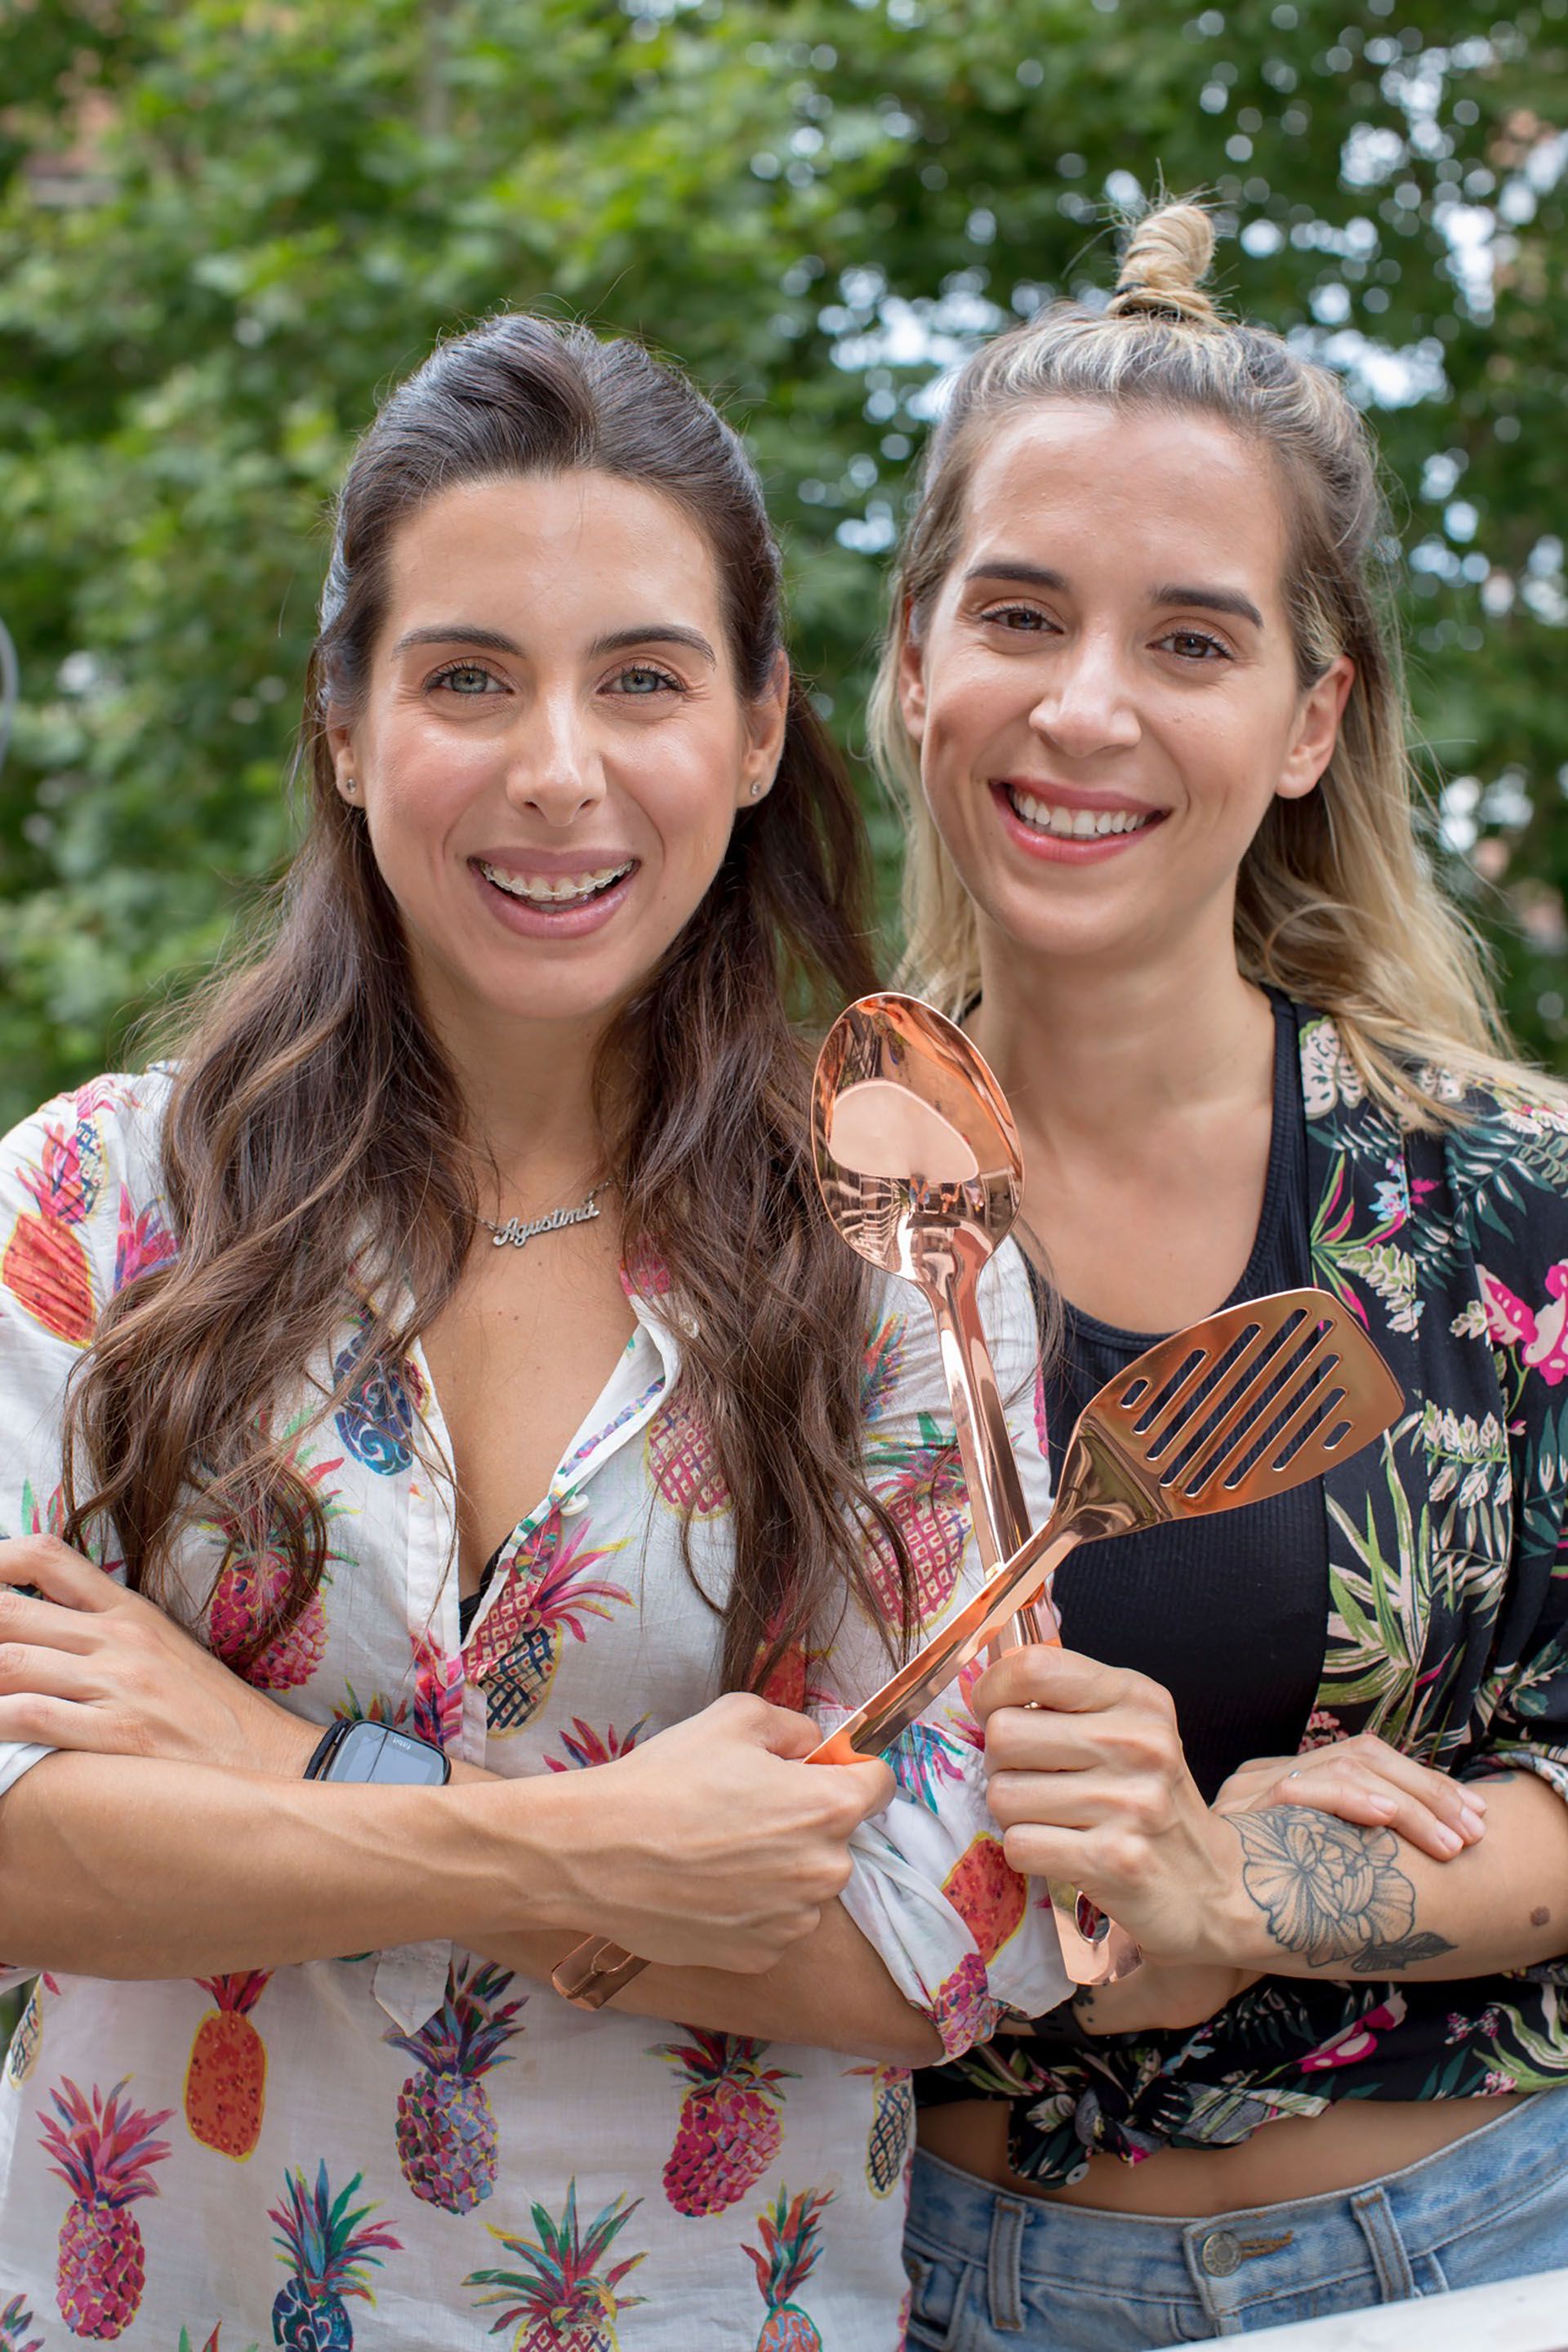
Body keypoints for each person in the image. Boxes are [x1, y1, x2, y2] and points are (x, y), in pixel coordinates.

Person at [0, 314, 1071, 2349]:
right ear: (344, 723)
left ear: (757, 728)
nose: (556, 769)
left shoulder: (897, 1247)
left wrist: (272, 1766)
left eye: (642, 679)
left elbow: (939, 1937)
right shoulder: (97, 1203)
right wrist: (573, 1845)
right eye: (468, 678)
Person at [870, 198, 1568, 2345]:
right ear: (916, 665)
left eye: (1190, 642)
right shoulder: (758, 1220)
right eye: (1020, 616)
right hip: (923, 2281)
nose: (1085, 708)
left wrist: (1248, 1887)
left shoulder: (1510, 1205)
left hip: (1470, 2260)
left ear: (1307, 717)